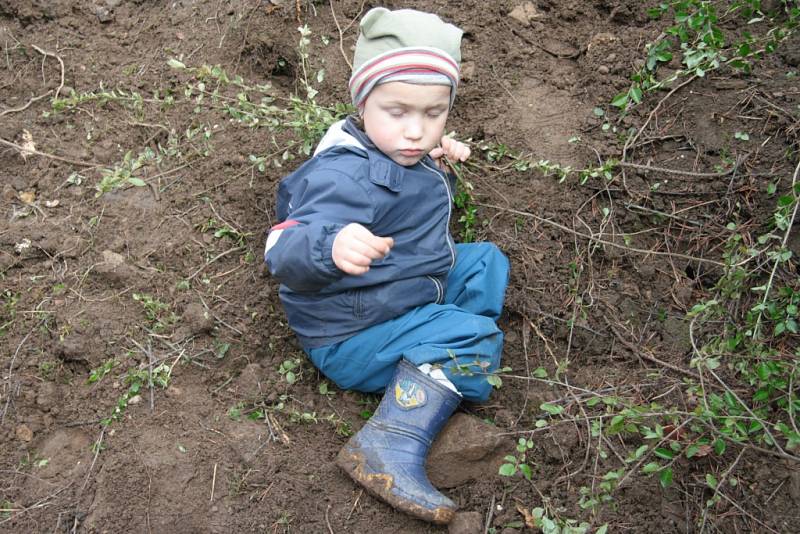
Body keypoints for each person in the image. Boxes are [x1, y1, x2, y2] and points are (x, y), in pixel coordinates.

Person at [264, 7, 509, 525]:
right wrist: (328, 245)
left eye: (434, 113)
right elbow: (283, 248)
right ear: (363, 101)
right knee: (473, 336)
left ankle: (434, 366)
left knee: (485, 261)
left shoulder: (402, 151)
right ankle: (389, 442)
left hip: (398, 286)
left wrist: (437, 162)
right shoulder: (344, 177)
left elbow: (407, 191)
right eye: (398, 112)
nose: (416, 131)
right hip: (351, 333)